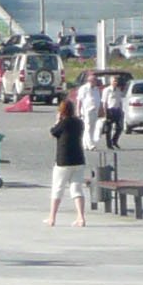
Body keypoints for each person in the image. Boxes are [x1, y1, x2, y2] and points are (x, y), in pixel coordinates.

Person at [44, 95, 90, 227]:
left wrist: (57, 121)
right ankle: (81, 218)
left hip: (63, 160)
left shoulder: (63, 123)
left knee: (57, 188)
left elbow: (53, 133)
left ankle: (52, 218)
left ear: (62, 111)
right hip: (78, 159)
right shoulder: (79, 122)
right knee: (77, 189)